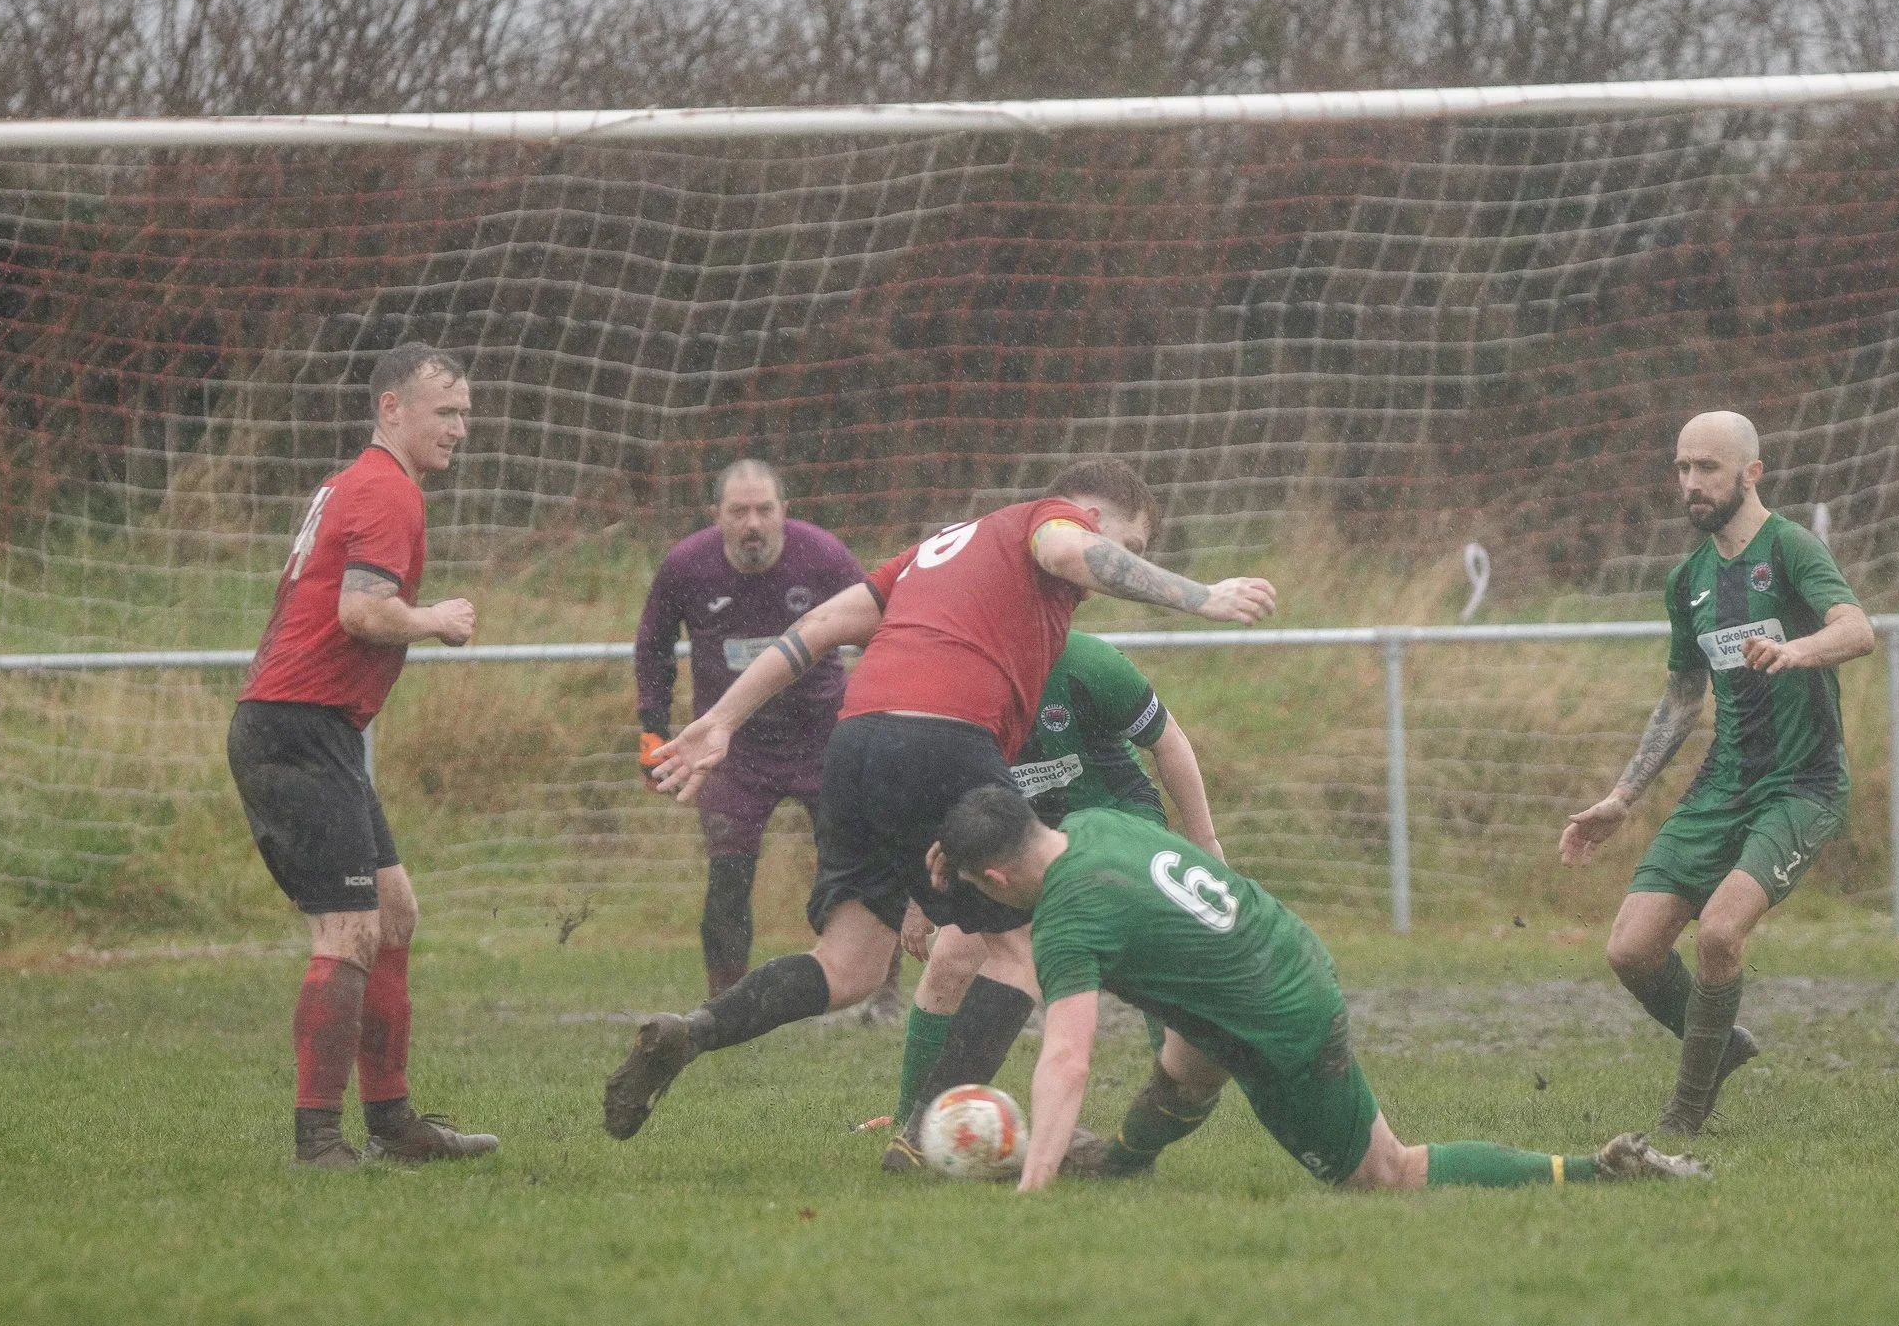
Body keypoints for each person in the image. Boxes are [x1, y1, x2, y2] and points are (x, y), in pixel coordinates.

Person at [601, 455, 1277, 1142]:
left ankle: (693, 1031)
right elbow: (1071, 549)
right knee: (1021, 953)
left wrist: (723, 719)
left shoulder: (934, 553)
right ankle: (928, 1136)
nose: (1116, 564)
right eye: (1128, 547)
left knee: (851, 965)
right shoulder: (1046, 525)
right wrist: (1201, 596)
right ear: (1095, 517)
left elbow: (822, 627)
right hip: (945, 737)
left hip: (856, 744)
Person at [931, 786, 1704, 1191]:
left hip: (1282, 1021)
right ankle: (1120, 1168)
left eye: (982, 890)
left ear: (996, 879)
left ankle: (1593, 1170)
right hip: (1281, 952)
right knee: (1190, 1060)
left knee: (1386, 1176)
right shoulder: (1096, 824)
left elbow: (1066, 1059)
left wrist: (1031, 1188)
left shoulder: (1067, 917)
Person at [1558, 411, 1874, 1134]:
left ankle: (1684, 1118)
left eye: (1708, 468)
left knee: (1720, 935)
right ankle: (1720, 1046)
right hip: (1724, 782)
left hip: (1802, 784)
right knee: (1630, 949)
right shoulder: (1687, 581)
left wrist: (1798, 651)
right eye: (1682, 469)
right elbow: (1681, 697)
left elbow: (1859, 629)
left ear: (1751, 473)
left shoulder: (1790, 548)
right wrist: (1620, 799)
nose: (1691, 484)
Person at [227, 341, 500, 1169]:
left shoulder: (358, 482)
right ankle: (319, 1142)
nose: (461, 428)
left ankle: (394, 1123)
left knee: (395, 913)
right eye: (445, 412)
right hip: (296, 729)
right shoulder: (387, 490)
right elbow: (361, 613)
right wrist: (436, 618)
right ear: (392, 409)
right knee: (348, 929)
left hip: (315, 729)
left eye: (465, 413)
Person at [882, 631, 1222, 1169]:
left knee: (1143, 954)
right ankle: (914, 1129)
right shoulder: (955, 673)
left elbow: (1169, 741)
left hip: (1114, 823)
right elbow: (936, 786)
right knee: (952, 959)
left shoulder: (1089, 663)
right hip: (1017, 835)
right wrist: (923, 895)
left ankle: (1173, 1104)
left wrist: (1205, 844)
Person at [633, 459, 870, 999]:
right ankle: (726, 1003)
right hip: (732, 748)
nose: (753, 524)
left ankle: (873, 991)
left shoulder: (825, 556)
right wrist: (652, 727)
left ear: (786, 512)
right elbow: (653, 646)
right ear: (715, 516)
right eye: (739, 511)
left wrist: (883, 720)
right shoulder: (686, 566)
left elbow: (883, 630)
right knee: (728, 877)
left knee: (855, 861)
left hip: (823, 738)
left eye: (765, 509)